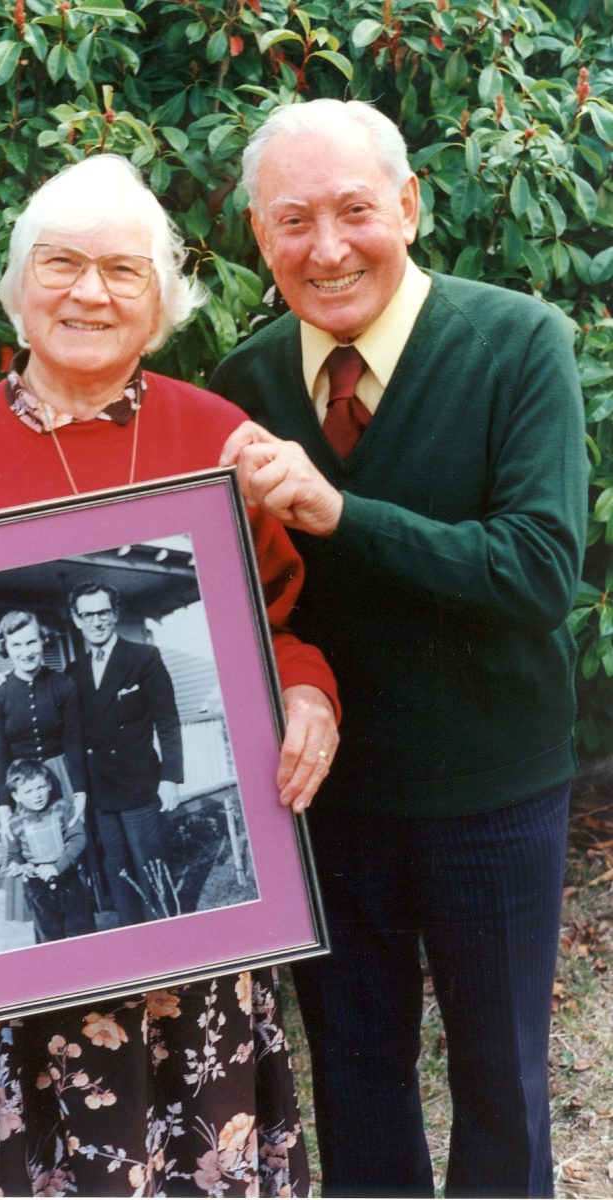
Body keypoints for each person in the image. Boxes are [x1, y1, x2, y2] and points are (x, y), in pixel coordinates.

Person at [0, 152, 339, 1197]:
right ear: (17, 291)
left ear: (160, 304)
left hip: (207, 958)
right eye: (60, 264)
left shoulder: (216, 440)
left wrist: (306, 694)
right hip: (39, 978)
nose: (89, 292)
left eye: (123, 269)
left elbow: (280, 627)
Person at [212, 98, 588, 1198]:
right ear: (259, 236)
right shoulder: (245, 384)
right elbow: (244, 608)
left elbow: (536, 573)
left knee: (502, 1090)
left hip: (492, 794)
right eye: (293, 221)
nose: (326, 249)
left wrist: (341, 514)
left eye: (355, 211)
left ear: (411, 206)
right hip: (327, 806)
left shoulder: (521, 345)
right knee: (358, 1089)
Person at [66, 581, 183, 926]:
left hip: (140, 788)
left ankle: (173, 948)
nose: (96, 622)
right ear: (76, 620)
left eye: (102, 612)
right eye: (87, 615)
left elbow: (168, 721)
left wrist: (171, 777)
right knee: (119, 881)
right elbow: (51, 705)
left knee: (153, 874)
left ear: (114, 614)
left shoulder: (144, 657)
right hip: (101, 796)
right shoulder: (73, 672)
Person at [0, 609, 87, 830]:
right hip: (21, 786)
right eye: (17, 645)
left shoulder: (63, 685)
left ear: (43, 641)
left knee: (73, 840)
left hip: (61, 778)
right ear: (6, 648)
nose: (26, 652)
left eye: (32, 642)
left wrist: (80, 791)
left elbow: (73, 741)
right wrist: (4, 807)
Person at [2, 758, 94, 943]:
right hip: (38, 887)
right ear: (16, 796)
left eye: (40, 787)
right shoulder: (14, 822)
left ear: (50, 785)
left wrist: (58, 866)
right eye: (28, 791)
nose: (37, 795)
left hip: (69, 879)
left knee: (81, 929)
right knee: (48, 934)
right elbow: (14, 855)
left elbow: (78, 839)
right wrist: (13, 866)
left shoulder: (64, 808)